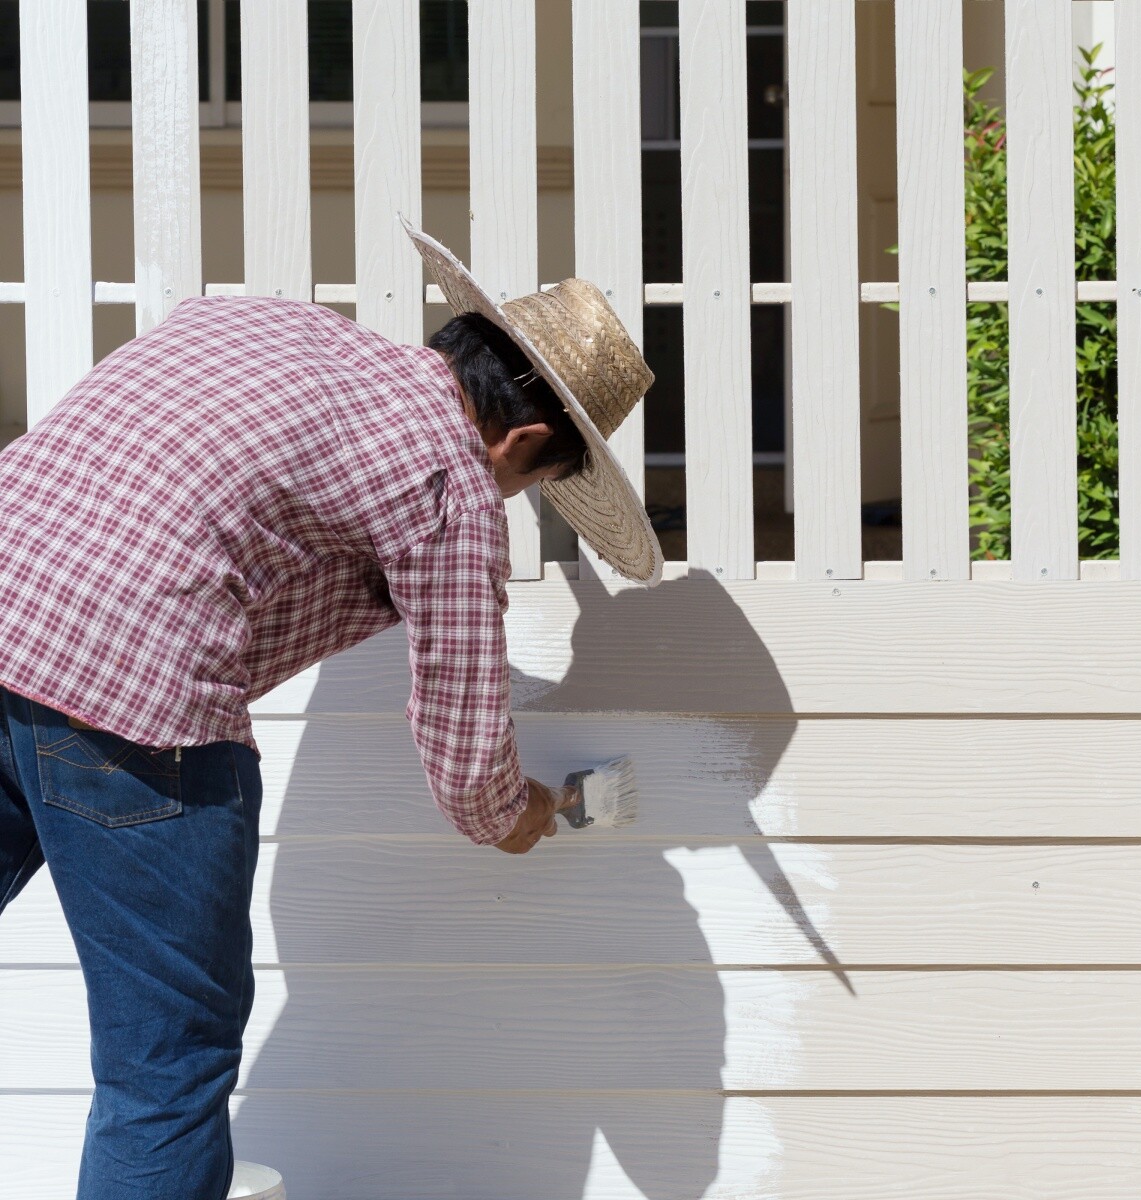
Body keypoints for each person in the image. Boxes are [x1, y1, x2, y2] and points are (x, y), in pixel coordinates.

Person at [0, 223, 662, 1199]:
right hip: (130, 710)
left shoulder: (271, 328)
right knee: (166, 1070)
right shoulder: (448, 482)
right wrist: (516, 813)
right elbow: (466, 760)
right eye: (532, 484)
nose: (512, 499)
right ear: (522, 440)